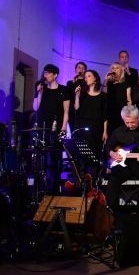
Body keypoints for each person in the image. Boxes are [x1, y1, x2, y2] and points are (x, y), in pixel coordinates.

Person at [105, 105, 139, 215]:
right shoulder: (118, 132)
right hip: (123, 166)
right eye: (127, 122)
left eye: (132, 122)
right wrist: (112, 153)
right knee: (112, 181)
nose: (130, 125)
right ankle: (113, 215)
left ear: (138, 118)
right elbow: (108, 147)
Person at [33, 64, 71, 193]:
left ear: (55, 75)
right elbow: (35, 108)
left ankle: (55, 185)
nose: (46, 75)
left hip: (57, 127)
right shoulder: (43, 89)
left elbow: (66, 111)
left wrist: (64, 127)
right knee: (42, 156)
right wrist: (39, 93)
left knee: (56, 156)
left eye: (48, 73)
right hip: (43, 127)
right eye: (44, 73)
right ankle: (44, 185)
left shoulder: (64, 90)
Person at [74, 70, 108, 155]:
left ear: (95, 79)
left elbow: (105, 115)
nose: (86, 78)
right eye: (85, 77)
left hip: (97, 128)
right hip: (83, 126)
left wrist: (105, 131)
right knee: (82, 153)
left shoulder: (103, 96)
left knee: (95, 152)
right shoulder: (83, 94)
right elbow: (77, 110)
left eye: (89, 76)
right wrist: (77, 96)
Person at [103, 63, 131, 136]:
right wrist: (105, 81)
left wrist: (129, 114)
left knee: (121, 135)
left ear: (121, 70)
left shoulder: (126, 83)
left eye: (117, 68)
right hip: (109, 112)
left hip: (121, 112)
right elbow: (103, 95)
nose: (114, 69)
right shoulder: (109, 83)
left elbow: (129, 99)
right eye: (113, 68)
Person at [66, 61, 87, 131]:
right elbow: (68, 95)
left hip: (83, 109)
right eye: (79, 68)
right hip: (72, 110)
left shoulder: (86, 82)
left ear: (85, 71)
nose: (80, 70)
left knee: (81, 129)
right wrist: (74, 82)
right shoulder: (70, 83)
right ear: (75, 69)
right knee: (73, 128)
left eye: (83, 68)